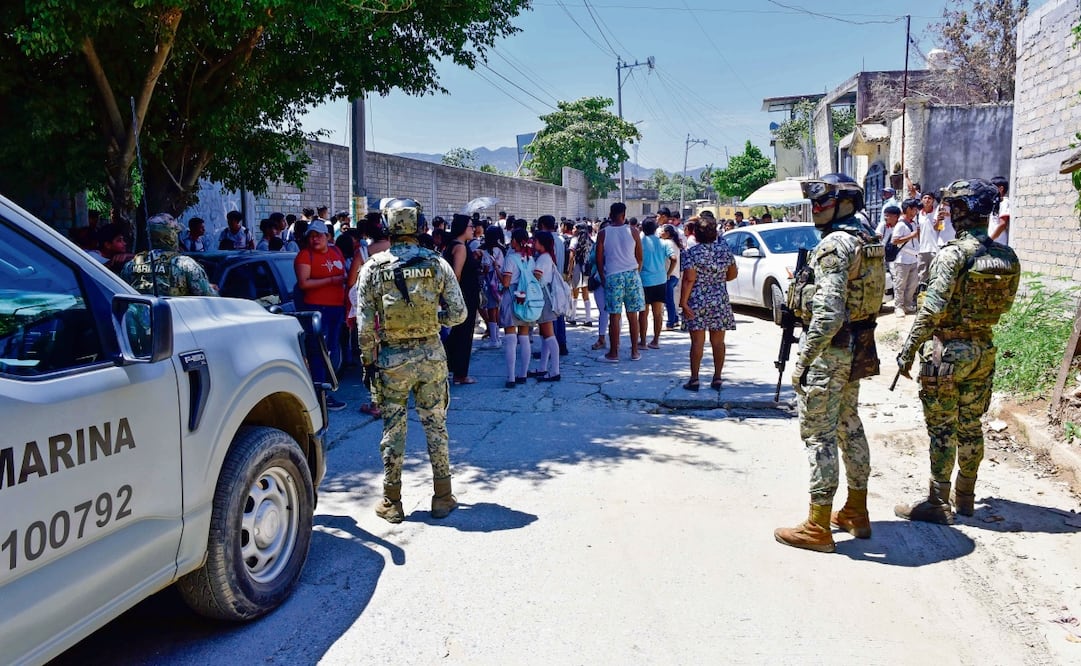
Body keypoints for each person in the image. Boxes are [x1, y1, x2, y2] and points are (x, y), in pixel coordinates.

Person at [894, 179, 1021, 524]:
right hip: (983, 348)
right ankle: (965, 497)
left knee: (942, 430)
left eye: (953, 207)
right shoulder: (1006, 256)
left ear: (962, 211)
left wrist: (908, 349)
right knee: (970, 425)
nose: (949, 213)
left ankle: (937, 502)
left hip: (947, 351)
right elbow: (1006, 306)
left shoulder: (952, 255)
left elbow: (931, 310)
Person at [774, 174, 885, 553]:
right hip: (858, 345)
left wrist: (803, 360)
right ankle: (856, 510)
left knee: (819, 434)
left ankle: (818, 525)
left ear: (845, 204)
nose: (816, 208)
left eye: (823, 202)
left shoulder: (835, 245)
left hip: (830, 349)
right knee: (849, 424)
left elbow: (828, 313)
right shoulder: (868, 239)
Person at [357, 198, 466, 523]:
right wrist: (434, 321)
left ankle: (392, 502)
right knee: (436, 426)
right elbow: (459, 314)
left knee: (393, 430)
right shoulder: (437, 263)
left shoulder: (372, 268)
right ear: (420, 226)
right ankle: (443, 496)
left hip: (392, 360)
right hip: (431, 356)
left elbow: (364, 328)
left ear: (388, 226)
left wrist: (368, 362)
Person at [678, 212, 736, 391]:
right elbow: (732, 274)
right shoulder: (725, 251)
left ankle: (694, 379)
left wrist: (683, 302)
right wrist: (717, 279)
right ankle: (717, 378)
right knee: (718, 342)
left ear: (695, 233)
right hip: (719, 299)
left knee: (697, 342)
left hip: (697, 300)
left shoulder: (691, 253)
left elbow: (689, 279)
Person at [294, 218, 348, 411]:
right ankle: (319, 395)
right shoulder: (304, 256)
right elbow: (304, 283)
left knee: (331, 350)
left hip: (336, 309)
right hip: (317, 310)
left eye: (318, 235)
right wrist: (331, 279)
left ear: (327, 236)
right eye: (311, 236)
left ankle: (326, 391)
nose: (315, 239)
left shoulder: (335, 251)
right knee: (318, 352)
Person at [121, 213, 217, 296]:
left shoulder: (131, 265)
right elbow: (211, 299)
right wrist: (209, 288)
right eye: (176, 233)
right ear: (170, 235)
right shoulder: (186, 265)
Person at [595, 202, 644, 362]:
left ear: (610, 214)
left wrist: (603, 277)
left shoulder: (603, 233)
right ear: (624, 214)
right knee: (632, 315)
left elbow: (599, 258)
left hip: (613, 275)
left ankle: (614, 353)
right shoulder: (633, 231)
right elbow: (639, 256)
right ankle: (634, 351)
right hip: (631, 274)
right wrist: (635, 272)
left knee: (614, 316)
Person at [442, 214, 481, 385]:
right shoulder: (460, 247)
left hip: (463, 294)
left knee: (458, 333)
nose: (473, 229)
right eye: (471, 226)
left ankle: (449, 367)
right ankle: (460, 373)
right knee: (464, 334)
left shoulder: (455, 245)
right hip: (464, 295)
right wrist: (454, 298)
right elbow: (456, 274)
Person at [499, 228, 535, 387]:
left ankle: (511, 376)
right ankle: (523, 373)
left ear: (516, 241)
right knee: (524, 336)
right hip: (526, 297)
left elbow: (506, 282)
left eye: (512, 239)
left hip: (512, 295)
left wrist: (496, 270)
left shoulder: (510, 259)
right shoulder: (530, 259)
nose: (510, 241)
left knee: (510, 337)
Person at [528, 231, 562, 382]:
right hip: (546, 297)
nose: (533, 244)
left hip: (542, 298)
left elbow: (536, 277)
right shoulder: (547, 257)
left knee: (549, 335)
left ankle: (554, 370)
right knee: (545, 335)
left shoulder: (543, 258)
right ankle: (543, 367)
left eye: (535, 241)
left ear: (542, 243)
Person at [638, 218, 676, 349]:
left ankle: (642, 341)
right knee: (658, 312)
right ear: (655, 229)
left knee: (643, 312)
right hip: (660, 280)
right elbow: (674, 259)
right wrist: (668, 273)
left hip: (644, 280)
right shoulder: (663, 243)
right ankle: (655, 340)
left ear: (642, 228)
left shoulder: (639, 242)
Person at [479, 225, 507, 349]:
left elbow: (485, 267)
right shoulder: (501, 249)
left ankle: (494, 339)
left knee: (491, 310)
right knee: (495, 309)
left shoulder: (487, 251)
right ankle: (497, 336)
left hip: (490, 282)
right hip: (499, 282)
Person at [892, 200, 921, 315]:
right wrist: (911, 235)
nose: (916, 212)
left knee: (912, 284)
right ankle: (898, 306)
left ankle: (908, 304)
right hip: (902, 259)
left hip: (913, 258)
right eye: (914, 209)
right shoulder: (900, 224)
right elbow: (895, 241)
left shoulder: (914, 223)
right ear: (908, 209)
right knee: (900, 284)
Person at [660, 223, 684, 330]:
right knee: (670, 299)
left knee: (668, 300)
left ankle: (670, 323)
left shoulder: (667, 243)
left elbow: (672, 259)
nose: (660, 233)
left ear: (667, 233)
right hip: (675, 275)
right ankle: (674, 319)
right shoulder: (675, 243)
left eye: (662, 231)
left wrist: (668, 273)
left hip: (670, 276)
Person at [989, 176, 1011, 246]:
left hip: (998, 242)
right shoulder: (996, 203)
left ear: (1001, 189)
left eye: (992, 188)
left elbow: (1002, 224)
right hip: (993, 241)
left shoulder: (1005, 202)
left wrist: (989, 240)